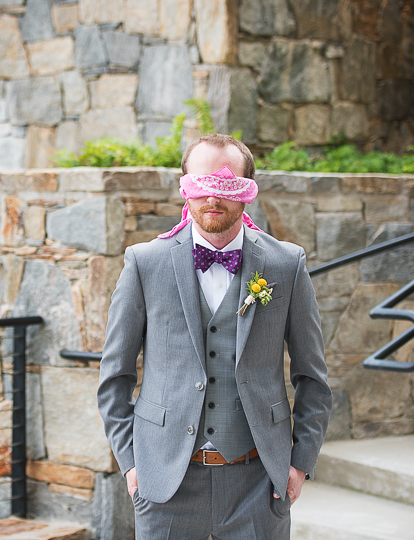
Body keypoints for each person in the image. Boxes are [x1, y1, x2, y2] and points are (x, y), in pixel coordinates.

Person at [97, 134, 332, 540]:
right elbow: (114, 375)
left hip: (258, 481)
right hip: (165, 483)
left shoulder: (286, 264)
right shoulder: (145, 263)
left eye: (226, 186)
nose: (212, 198)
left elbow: (313, 377)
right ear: (185, 188)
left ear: (247, 193)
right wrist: (133, 465)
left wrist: (299, 463)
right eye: (201, 185)